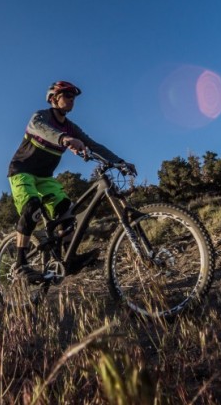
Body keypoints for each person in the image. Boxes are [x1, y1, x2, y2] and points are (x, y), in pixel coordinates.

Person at [7, 81, 136, 282]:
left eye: (73, 97)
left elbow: (93, 145)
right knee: (32, 207)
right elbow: (39, 129)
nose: (71, 100)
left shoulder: (71, 127)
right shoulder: (41, 117)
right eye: (67, 95)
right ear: (53, 98)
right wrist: (64, 139)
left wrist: (119, 162)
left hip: (45, 178)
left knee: (67, 212)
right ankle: (20, 264)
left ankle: (68, 258)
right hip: (22, 172)